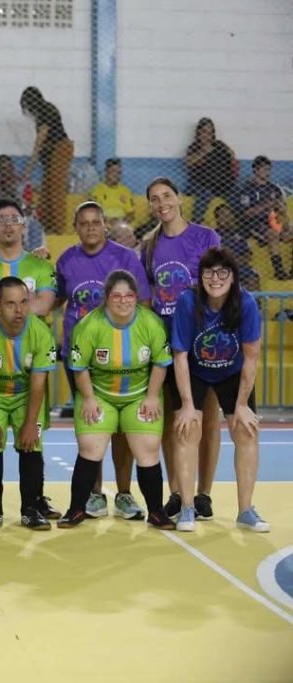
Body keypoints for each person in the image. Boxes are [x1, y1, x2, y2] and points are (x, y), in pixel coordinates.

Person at [55, 201, 151, 519]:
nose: (91, 227)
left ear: (104, 225)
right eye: (84, 223)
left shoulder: (125, 259)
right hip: (81, 357)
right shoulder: (66, 260)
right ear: (76, 227)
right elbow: (53, 299)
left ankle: (124, 493)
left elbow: (145, 304)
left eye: (96, 222)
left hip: (123, 357)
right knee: (92, 424)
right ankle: (95, 495)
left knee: (123, 430)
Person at [58, 270, 175, 530]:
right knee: (91, 447)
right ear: (107, 298)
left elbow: (160, 363)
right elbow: (79, 367)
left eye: (129, 295)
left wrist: (153, 397)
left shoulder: (151, 323)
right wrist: (88, 399)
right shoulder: (89, 326)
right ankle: (76, 509)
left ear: (136, 297)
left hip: (138, 396)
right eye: (117, 296)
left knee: (148, 447)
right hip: (99, 395)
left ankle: (156, 512)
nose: (123, 301)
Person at [140, 177, 222, 520]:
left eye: (167, 196)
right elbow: (147, 299)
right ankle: (177, 490)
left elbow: (221, 286)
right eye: (155, 199)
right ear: (151, 206)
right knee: (175, 421)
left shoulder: (206, 237)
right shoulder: (148, 246)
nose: (162, 203)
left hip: (205, 342)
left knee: (209, 420)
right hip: (167, 344)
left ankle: (204, 493)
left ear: (178, 199)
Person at [171, 248, 267, 532]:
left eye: (223, 271)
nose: (215, 278)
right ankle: (187, 508)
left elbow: (251, 356)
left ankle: (246, 510)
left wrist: (241, 406)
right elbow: (179, 356)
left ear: (233, 276)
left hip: (232, 373)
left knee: (245, 429)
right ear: (200, 277)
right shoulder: (188, 302)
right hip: (195, 370)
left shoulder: (246, 303)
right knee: (188, 428)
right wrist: (188, 404)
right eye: (209, 272)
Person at [0, 277, 58, 530]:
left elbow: (38, 384)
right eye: (10, 304)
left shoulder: (41, 333)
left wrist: (31, 423)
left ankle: (30, 510)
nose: (19, 310)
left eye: (23, 302)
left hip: (25, 396)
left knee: (31, 446)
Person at [0, 199, 56, 331]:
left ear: (23, 227)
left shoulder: (42, 265)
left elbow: (43, 307)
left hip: (32, 349)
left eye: (14, 219)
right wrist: (27, 299)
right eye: (1, 220)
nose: (8, 225)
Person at [19, 86, 72, 234]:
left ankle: (59, 229)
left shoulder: (46, 110)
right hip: (52, 153)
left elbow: (41, 138)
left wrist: (30, 165)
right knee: (47, 190)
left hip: (60, 149)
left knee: (55, 189)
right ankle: (48, 227)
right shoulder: (45, 111)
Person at [236, 155, 287, 279]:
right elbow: (246, 213)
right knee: (272, 234)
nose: (267, 172)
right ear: (255, 170)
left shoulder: (274, 188)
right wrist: (267, 205)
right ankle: (279, 270)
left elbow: (282, 212)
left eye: (268, 169)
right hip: (253, 225)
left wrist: (282, 212)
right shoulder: (247, 189)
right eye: (264, 169)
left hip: (273, 223)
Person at [184, 117, 236, 223]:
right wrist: (205, 151)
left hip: (223, 184)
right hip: (202, 185)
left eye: (210, 132)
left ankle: (241, 228)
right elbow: (188, 162)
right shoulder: (193, 147)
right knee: (204, 196)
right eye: (204, 131)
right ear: (198, 133)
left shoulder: (219, 145)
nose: (207, 135)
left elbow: (232, 155)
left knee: (236, 199)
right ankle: (196, 226)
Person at [214, 204, 261, 292]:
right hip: (222, 269)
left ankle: (255, 305)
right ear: (218, 219)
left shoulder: (239, 235)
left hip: (240, 268)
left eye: (229, 214)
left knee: (253, 279)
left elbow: (247, 255)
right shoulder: (214, 235)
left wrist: (236, 261)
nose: (227, 217)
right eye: (223, 215)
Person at [88, 158, 135, 226]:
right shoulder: (97, 190)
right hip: (103, 224)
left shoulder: (126, 191)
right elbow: (92, 212)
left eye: (119, 172)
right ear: (106, 172)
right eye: (113, 171)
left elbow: (131, 214)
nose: (116, 175)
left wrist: (120, 222)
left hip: (121, 225)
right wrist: (108, 221)